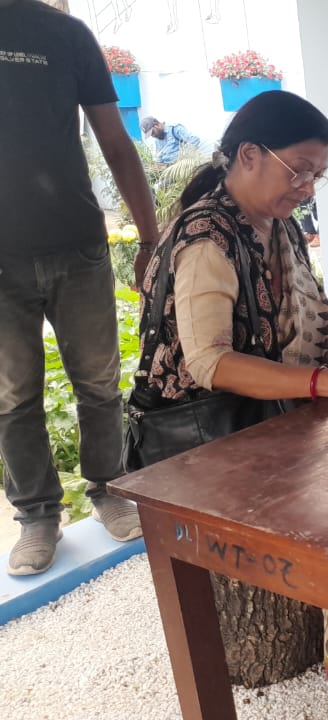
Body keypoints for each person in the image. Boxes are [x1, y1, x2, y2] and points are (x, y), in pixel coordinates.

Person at [129, 90, 328, 720]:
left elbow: (317, 309)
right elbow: (210, 364)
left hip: (261, 419)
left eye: (316, 176)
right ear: (249, 155)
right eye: (299, 170)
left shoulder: (275, 223)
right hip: (201, 442)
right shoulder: (206, 237)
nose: (306, 187)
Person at [0, 0, 160, 576]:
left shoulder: (66, 34)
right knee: (13, 398)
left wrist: (149, 239)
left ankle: (111, 489)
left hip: (77, 245)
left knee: (98, 383)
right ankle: (38, 517)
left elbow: (115, 141)